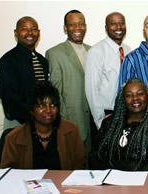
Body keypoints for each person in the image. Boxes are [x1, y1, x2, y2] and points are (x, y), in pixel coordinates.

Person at [89, 78, 148, 171]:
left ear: (147, 96)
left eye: (140, 94)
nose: (135, 98)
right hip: (112, 180)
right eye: (129, 95)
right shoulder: (109, 123)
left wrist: (136, 174)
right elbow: (95, 155)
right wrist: (111, 174)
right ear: (123, 99)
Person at [0, 81, 85, 170]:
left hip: (62, 183)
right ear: (31, 110)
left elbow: (79, 167)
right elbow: (8, 174)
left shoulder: (71, 131)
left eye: (53, 105)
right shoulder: (14, 138)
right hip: (26, 184)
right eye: (41, 106)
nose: (48, 110)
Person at [45, 10, 91, 153]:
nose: (77, 28)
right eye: (72, 25)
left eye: (81, 24)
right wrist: (63, 123)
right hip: (72, 120)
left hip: (93, 123)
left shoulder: (93, 51)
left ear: (85, 26)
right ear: (65, 28)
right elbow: (55, 91)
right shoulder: (55, 53)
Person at [0, 16, 49, 130]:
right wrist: (37, 117)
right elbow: (11, 101)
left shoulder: (42, 61)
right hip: (18, 124)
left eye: (33, 29)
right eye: (24, 29)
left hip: (42, 123)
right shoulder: (7, 62)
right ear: (16, 32)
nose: (30, 33)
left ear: (38, 33)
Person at [85, 12, 131, 129]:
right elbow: (92, 90)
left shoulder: (128, 50)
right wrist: (100, 121)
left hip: (127, 113)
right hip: (107, 114)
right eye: (113, 24)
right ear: (106, 28)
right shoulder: (96, 52)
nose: (118, 27)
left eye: (121, 23)